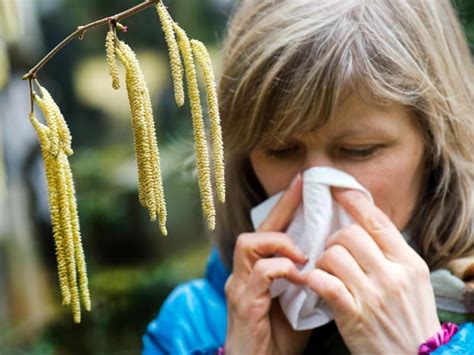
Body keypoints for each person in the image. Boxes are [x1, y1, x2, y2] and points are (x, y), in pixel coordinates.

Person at [142, 0, 474, 353]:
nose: (318, 188)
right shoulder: (191, 327)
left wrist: (423, 349)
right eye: (280, 151)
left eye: (360, 150)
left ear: (436, 144)